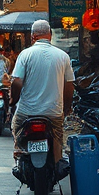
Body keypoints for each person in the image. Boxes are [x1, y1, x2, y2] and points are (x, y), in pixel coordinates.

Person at [10, 20, 75, 164]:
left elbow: (17, 82)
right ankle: (57, 162)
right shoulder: (63, 56)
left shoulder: (25, 54)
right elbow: (69, 85)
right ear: (50, 35)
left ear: (33, 36)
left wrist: (13, 100)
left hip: (27, 112)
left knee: (16, 128)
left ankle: (19, 155)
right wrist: (66, 108)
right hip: (53, 113)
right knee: (58, 141)